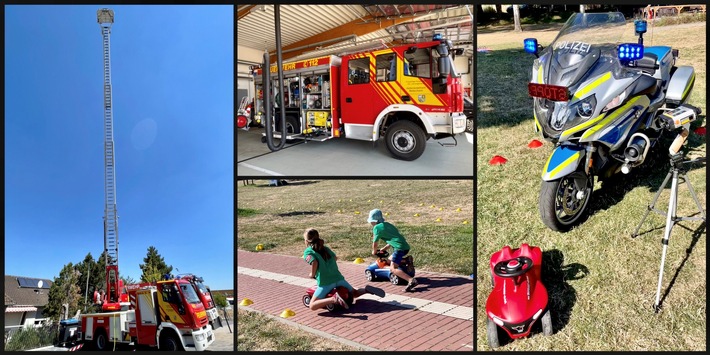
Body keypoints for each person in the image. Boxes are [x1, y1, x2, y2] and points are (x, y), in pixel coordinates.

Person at [303, 228, 384, 311]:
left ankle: (333, 299)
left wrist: (312, 274)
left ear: (307, 241)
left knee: (312, 306)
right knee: (354, 293)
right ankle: (366, 290)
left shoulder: (308, 252)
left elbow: (314, 262)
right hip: (338, 278)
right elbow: (335, 258)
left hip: (325, 282)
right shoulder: (325, 249)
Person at [368, 209, 418, 292]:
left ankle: (411, 280)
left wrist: (374, 251)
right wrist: (384, 249)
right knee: (389, 260)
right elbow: (393, 239)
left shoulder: (376, 228)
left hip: (399, 248)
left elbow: (375, 243)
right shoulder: (388, 225)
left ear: (375, 221)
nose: (370, 223)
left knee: (392, 268)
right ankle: (406, 260)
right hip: (405, 246)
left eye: (371, 221)